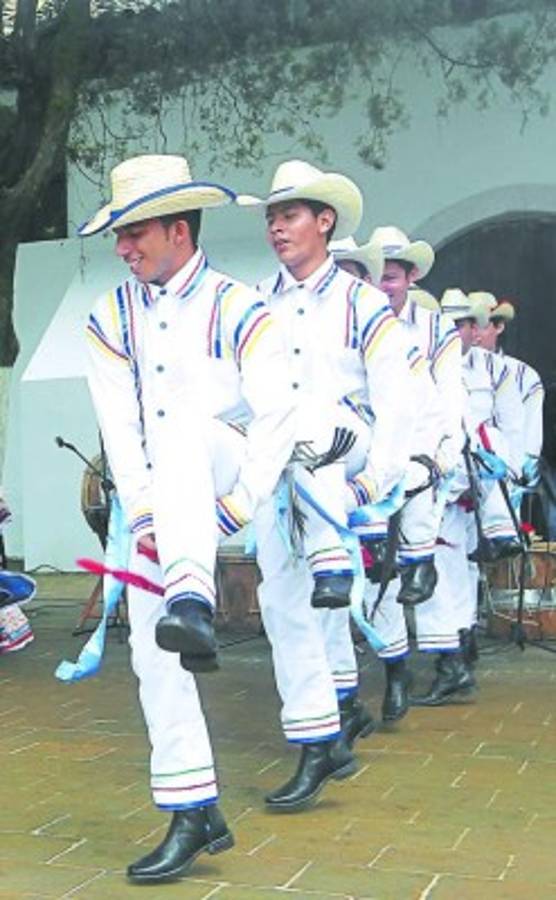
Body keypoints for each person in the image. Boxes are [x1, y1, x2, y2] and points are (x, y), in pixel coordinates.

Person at [81, 154, 297, 883]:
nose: (123, 247)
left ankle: (191, 596)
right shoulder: (106, 319)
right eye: (119, 233)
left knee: (181, 425)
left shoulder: (242, 307)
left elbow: (278, 418)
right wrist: (144, 517)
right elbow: (119, 428)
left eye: (135, 230)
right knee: (152, 652)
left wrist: (238, 505)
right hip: (158, 505)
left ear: (179, 228)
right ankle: (193, 806)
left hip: (231, 469)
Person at [240, 160, 418, 807]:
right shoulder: (257, 302)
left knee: (310, 408)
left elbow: (398, 404)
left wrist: (376, 483)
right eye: (271, 218)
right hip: (283, 469)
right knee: (283, 602)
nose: (277, 228)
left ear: (325, 220)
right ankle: (320, 741)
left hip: (344, 455)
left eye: (288, 215)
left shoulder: (363, 306)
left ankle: (331, 556)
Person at [410, 289, 525, 706]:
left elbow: (506, 432)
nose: (457, 331)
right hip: (441, 483)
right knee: (446, 572)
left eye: (463, 324)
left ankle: (454, 663)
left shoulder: (496, 372)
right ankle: (455, 660)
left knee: (450, 574)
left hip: (467, 485)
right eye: (451, 323)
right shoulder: (424, 368)